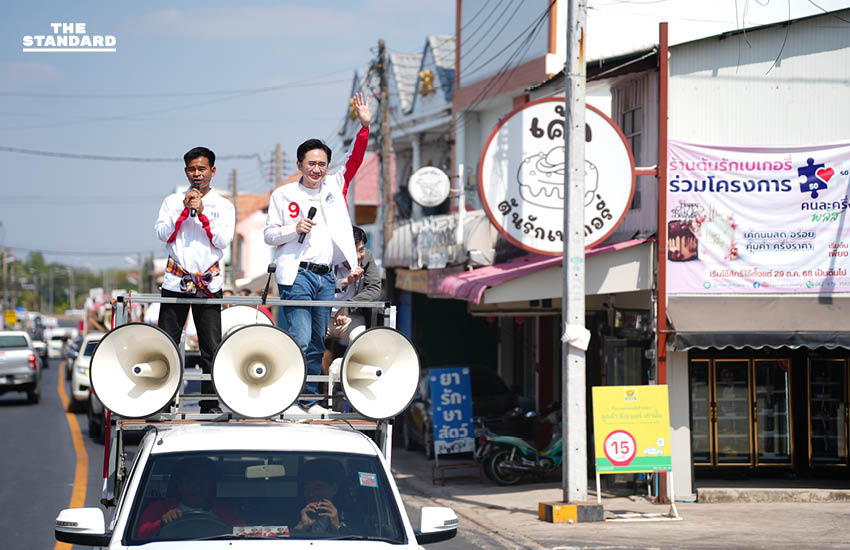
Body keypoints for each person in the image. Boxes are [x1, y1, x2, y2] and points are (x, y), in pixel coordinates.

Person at [264, 93, 371, 414]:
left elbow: (355, 159)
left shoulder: (335, 186)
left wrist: (364, 127)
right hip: (297, 273)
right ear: (299, 165)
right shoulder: (283, 195)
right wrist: (292, 230)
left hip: (326, 277)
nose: (317, 169)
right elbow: (269, 234)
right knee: (297, 336)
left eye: (322, 163)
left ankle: (309, 400)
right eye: (311, 163)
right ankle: (292, 399)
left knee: (315, 343)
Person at [154, 146, 235, 414]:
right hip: (175, 281)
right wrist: (183, 210)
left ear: (212, 171)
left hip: (208, 284)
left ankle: (209, 405)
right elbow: (163, 234)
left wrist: (201, 213)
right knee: (167, 344)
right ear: (185, 171)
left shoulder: (224, 205)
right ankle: (162, 402)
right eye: (192, 169)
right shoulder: (171, 201)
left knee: (210, 348)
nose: (197, 174)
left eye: (202, 169)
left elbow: (223, 240)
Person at [135, 457, 243, 539]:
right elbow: (138, 536)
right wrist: (161, 523)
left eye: (204, 481)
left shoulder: (228, 512)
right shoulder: (158, 508)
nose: (197, 487)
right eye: (190, 481)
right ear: (179, 483)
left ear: (213, 484)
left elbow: (244, 535)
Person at [327, 226, 381, 343]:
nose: (357, 256)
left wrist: (348, 307)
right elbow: (319, 287)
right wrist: (345, 282)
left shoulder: (367, 258)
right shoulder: (327, 258)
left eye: (361, 250)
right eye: (352, 251)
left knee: (361, 343)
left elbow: (374, 288)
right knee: (309, 346)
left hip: (351, 317)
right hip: (322, 316)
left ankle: (341, 362)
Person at [293, 458, 350, 535]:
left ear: (334, 489)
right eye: (306, 487)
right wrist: (301, 527)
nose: (311, 494)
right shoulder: (293, 512)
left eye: (318, 487)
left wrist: (337, 527)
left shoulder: (350, 514)